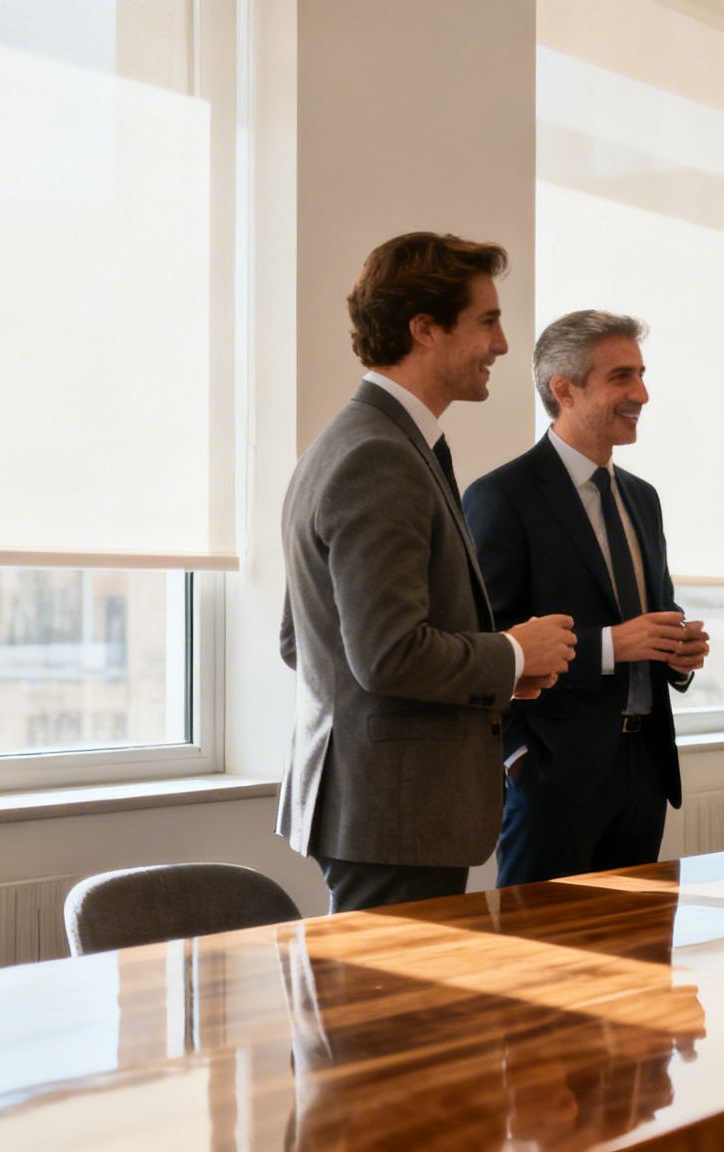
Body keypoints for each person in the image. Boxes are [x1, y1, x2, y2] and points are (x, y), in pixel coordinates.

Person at [278, 231, 577, 914]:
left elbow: (303, 642)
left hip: (386, 812)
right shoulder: (377, 457)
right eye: (488, 321)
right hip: (394, 816)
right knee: (379, 1021)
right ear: (425, 329)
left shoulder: (368, 441)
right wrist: (510, 652)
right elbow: (386, 654)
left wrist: (499, 674)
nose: (502, 345)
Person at [464, 310, 709, 885]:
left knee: (642, 961)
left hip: (644, 773)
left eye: (642, 375)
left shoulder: (642, 499)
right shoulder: (502, 496)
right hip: (550, 780)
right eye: (622, 377)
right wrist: (520, 761)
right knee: (542, 965)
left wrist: (678, 653)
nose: (642, 394)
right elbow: (485, 641)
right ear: (563, 389)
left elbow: (655, 613)